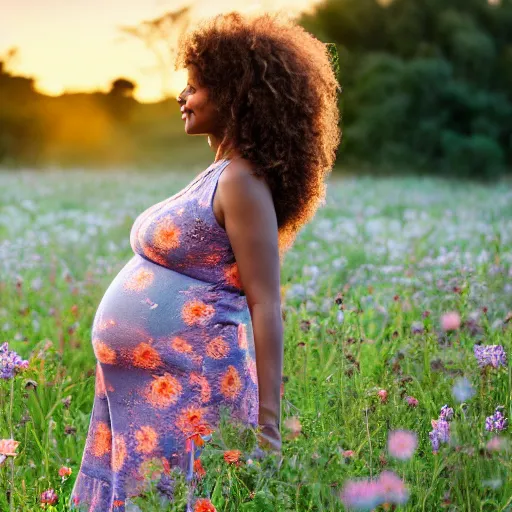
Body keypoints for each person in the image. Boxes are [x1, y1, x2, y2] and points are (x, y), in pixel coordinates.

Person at [69, 10, 340, 512]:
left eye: (194, 87)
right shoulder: (218, 172)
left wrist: (269, 427)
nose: (181, 97)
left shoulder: (242, 181)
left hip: (194, 390)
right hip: (147, 394)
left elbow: (266, 303)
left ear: (235, 96)